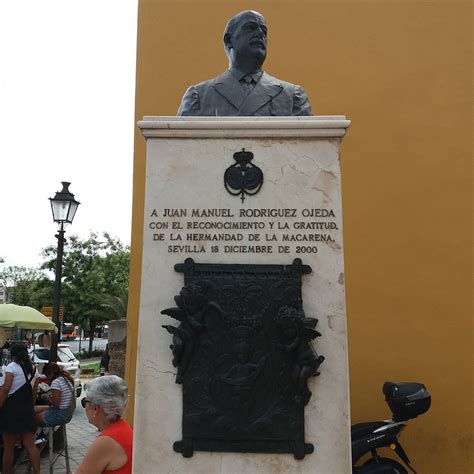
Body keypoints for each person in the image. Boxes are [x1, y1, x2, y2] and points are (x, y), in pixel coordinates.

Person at [177, 10, 313, 117]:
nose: (260, 34)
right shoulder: (200, 96)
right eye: (250, 27)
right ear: (229, 40)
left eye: (264, 31)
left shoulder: (292, 97)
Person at [74, 375, 133, 474]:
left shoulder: (106, 442)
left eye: (85, 402)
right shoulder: (127, 429)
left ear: (96, 409)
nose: (84, 407)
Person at [0, 343, 40, 474]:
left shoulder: (11, 367)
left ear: (12, 355)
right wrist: (30, 408)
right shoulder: (34, 369)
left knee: (9, 447)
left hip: (11, 411)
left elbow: (6, 389)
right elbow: (34, 394)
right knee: (30, 444)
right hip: (27, 410)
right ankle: (37, 472)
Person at [34, 362, 76, 427]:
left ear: (51, 374)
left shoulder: (56, 382)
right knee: (34, 409)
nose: (47, 378)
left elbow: (55, 404)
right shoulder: (66, 378)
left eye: (47, 376)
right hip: (68, 413)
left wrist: (47, 397)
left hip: (61, 415)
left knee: (34, 418)